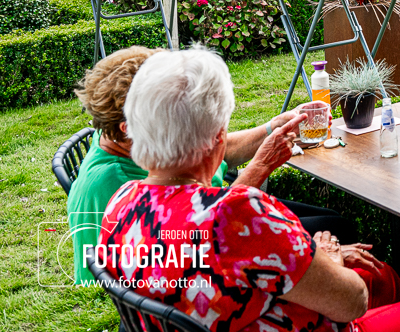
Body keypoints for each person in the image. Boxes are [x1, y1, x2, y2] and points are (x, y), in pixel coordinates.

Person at [96, 47, 400, 332]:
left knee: (382, 279)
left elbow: (202, 254)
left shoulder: (121, 201)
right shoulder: (239, 213)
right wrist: (329, 256)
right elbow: (351, 303)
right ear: (217, 137)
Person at [67, 46, 354, 284]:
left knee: (332, 220)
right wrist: (259, 168)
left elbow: (217, 151)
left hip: (217, 211)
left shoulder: (128, 140)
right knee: (334, 228)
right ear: (133, 124)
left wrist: (272, 128)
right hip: (211, 242)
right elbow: (194, 239)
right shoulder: (111, 185)